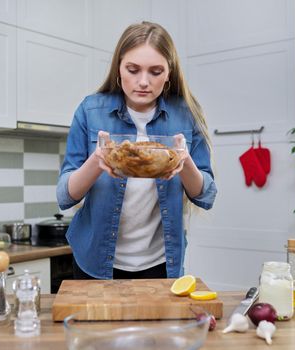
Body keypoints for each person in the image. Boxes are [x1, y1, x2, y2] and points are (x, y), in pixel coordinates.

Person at [57, 21, 217, 280]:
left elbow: (206, 196)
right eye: (133, 69)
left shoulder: (185, 115)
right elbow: (65, 196)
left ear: (169, 74)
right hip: (95, 261)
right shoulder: (90, 110)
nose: (143, 82)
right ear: (119, 68)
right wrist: (98, 159)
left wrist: (184, 161)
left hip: (161, 263)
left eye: (156, 71)